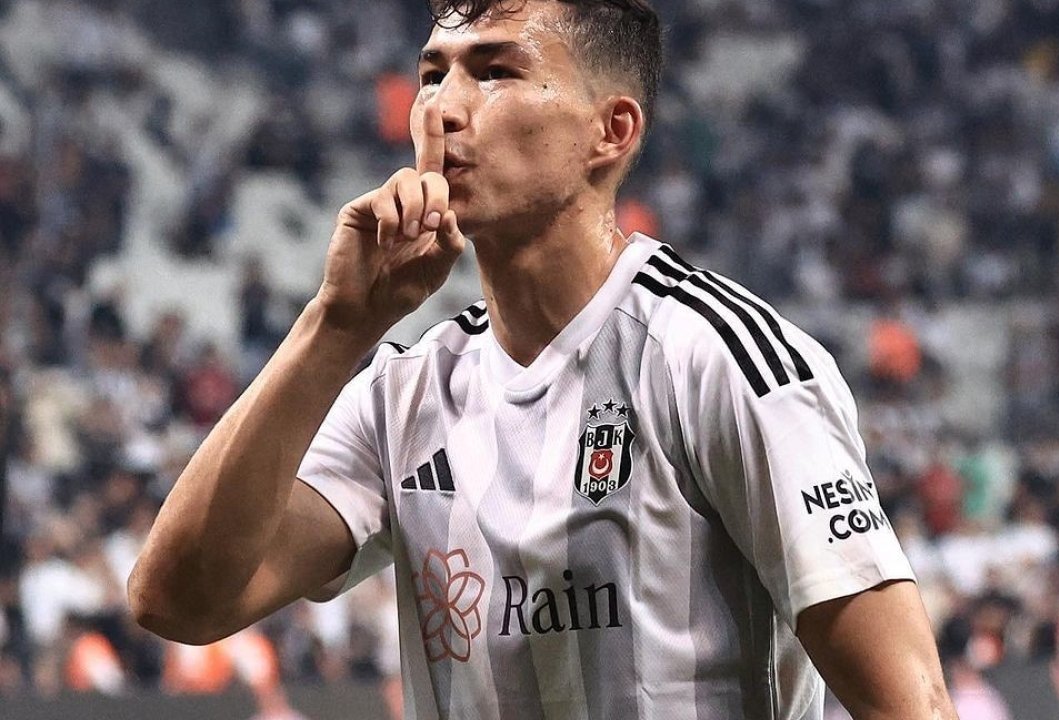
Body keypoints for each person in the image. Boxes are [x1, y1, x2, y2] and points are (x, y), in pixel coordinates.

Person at [129, 1, 958, 717]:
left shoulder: (718, 358)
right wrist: (334, 326)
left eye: (496, 72)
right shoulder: (402, 392)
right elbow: (178, 601)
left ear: (610, 131)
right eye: (432, 75)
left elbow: (908, 703)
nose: (443, 110)